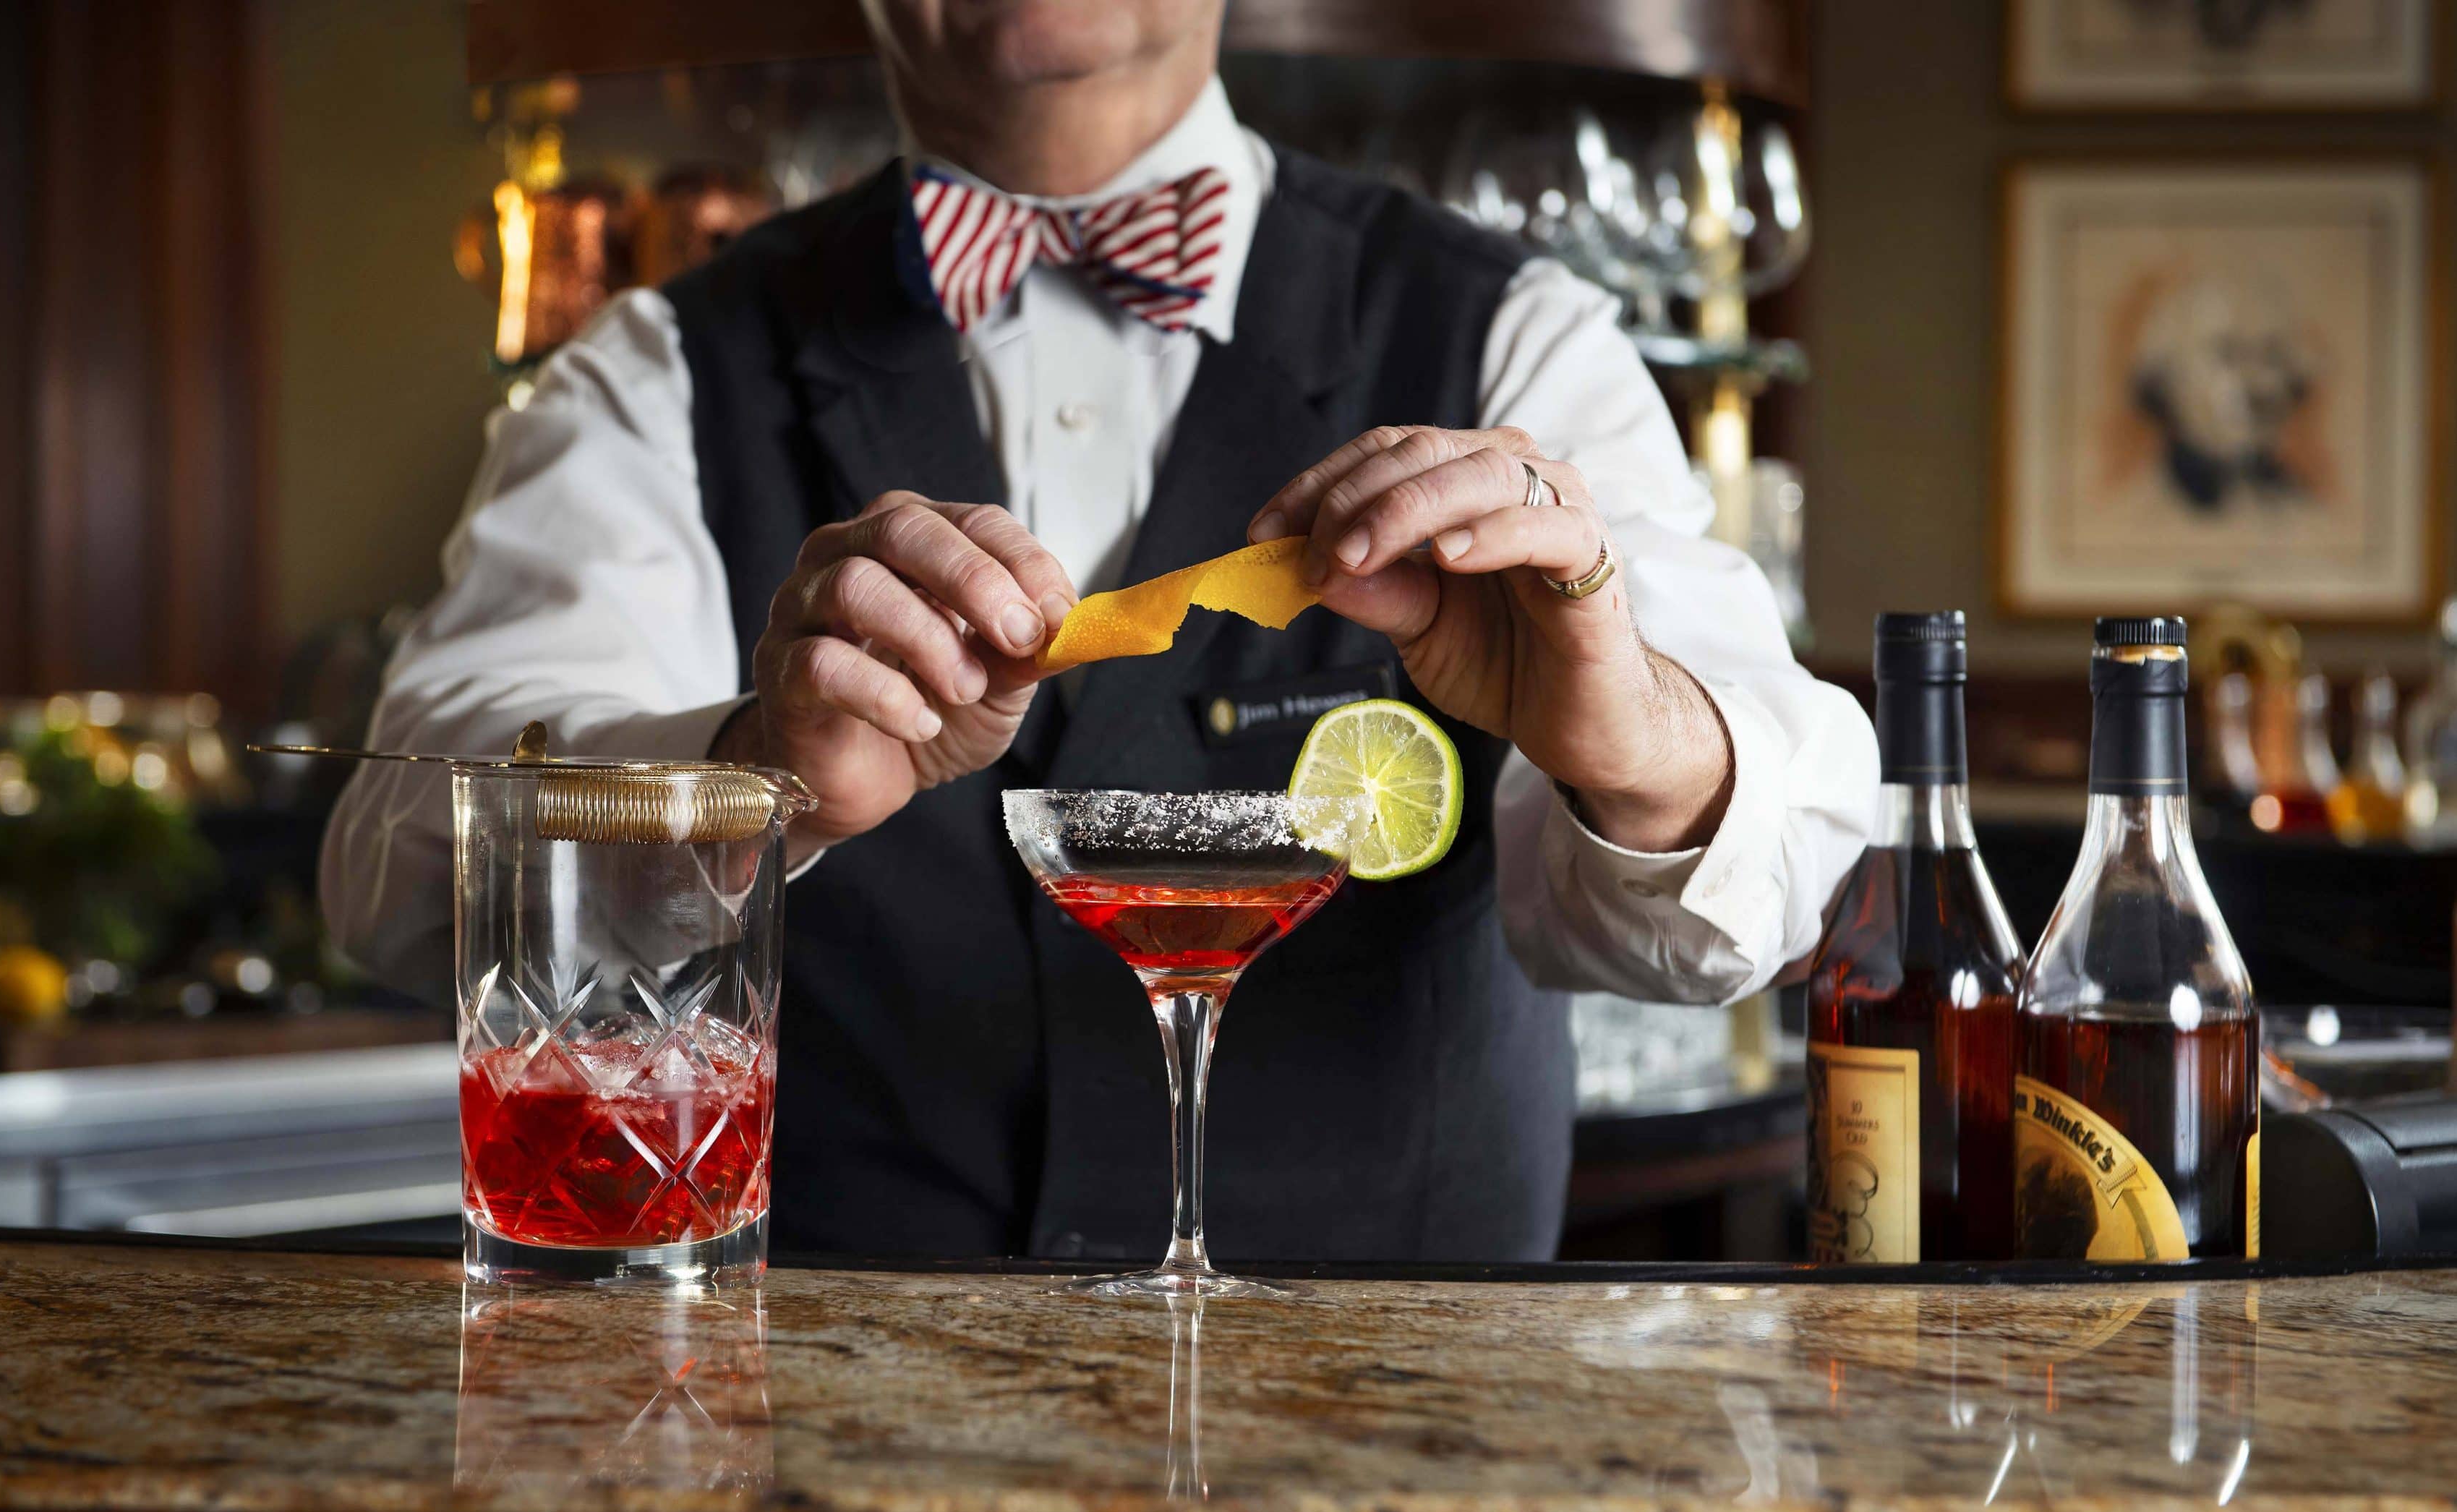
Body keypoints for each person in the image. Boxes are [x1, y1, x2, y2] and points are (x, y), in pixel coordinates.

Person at [322, 0, 1875, 1264]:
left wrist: (1634, 737)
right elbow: (388, 866)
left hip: (1386, 1462)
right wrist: (740, 772)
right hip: (826, 1463)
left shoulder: (1516, 338)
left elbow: (1758, 900)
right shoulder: (652, 373)